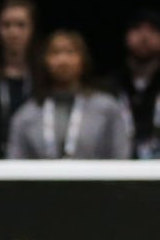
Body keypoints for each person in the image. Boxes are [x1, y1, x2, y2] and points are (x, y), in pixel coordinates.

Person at [7, 30, 131, 159]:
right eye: (55, 53)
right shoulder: (26, 115)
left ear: (83, 59)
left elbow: (120, 157)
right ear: (44, 60)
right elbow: (15, 163)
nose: (63, 60)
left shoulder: (107, 109)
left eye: (70, 52)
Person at [0, 0, 40, 157]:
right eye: (6, 25)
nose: (13, 32)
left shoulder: (43, 75)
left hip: (36, 160)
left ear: (32, 29)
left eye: (21, 25)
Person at [102, 9, 160, 159]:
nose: (144, 37)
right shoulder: (107, 87)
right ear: (125, 36)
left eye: (153, 30)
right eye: (137, 29)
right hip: (117, 165)